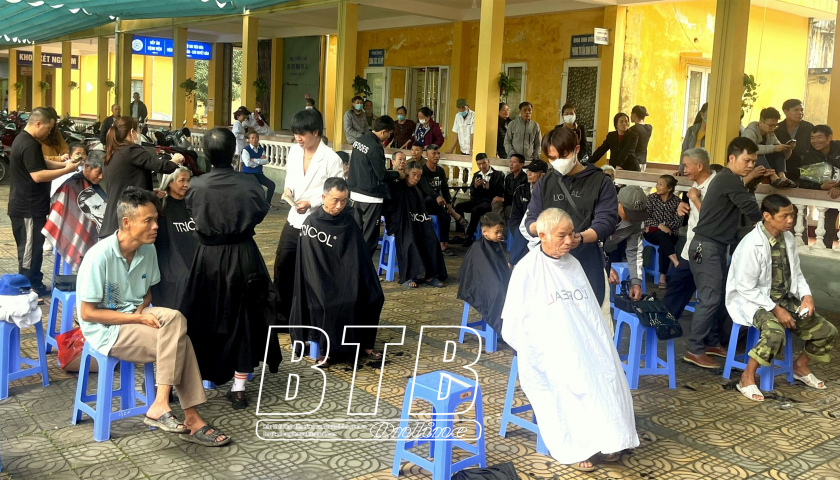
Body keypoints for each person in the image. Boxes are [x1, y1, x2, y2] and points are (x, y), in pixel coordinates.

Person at [76, 187, 230, 447]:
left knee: (176, 318)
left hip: (136, 313)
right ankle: (189, 417)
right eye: (148, 220)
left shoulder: (147, 250)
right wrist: (136, 319)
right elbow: (87, 313)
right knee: (182, 342)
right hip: (106, 328)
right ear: (127, 222)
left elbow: (147, 293)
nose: (156, 226)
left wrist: (139, 311)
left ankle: (160, 403)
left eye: (156, 219)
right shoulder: (99, 257)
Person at [502, 208, 639, 472]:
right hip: (548, 346)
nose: (569, 241)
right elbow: (515, 322)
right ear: (543, 235)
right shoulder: (527, 268)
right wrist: (544, 346)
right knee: (570, 377)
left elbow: (590, 313)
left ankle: (609, 437)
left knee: (606, 371)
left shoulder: (573, 264)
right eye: (562, 236)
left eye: (571, 234)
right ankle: (579, 446)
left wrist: (597, 345)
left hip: (582, 341)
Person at [181, 128, 282, 410]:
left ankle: (202, 378)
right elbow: (260, 212)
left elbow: (192, 212)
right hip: (243, 255)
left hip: (209, 258)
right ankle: (239, 387)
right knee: (245, 316)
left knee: (206, 313)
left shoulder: (196, 186)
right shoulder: (249, 184)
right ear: (234, 151)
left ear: (205, 154)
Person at [727, 194, 838, 401]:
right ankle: (746, 377)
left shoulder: (788, 239)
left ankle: (800, 367)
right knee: (774, 333)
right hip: (756, 302)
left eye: (792, 215)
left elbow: (797, 273)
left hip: (785, 299)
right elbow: (745, 287)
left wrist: (806, 296)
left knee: (827, 331)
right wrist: (776, 309)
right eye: (784, 216)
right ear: (767, 216)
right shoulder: (751, 244)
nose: (790, 220)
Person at [685, 137, 770, 369]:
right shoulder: (728, 179)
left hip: (716, 247)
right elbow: (750, 208)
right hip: (706, 247)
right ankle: (694, 349)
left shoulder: (730, 180)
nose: (751, 165)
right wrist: (771, 224)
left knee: (718, 297)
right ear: (732, 158)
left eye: (753, 161)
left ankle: (712, 342)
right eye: (747, 160)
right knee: (710, 299)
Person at [289, 178, 385, 368]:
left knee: (373, 296)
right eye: (335, 200)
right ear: (324, 197)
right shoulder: (312, 223)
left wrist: (354, 280)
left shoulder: (349, 220)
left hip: (347, 276)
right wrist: (331, 284)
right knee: (332, 303)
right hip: (321, 281)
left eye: (344, 201)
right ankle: (327, 351)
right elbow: (310, 264)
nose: (339, 206)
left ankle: (365, 344)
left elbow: (357, 255)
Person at [524, 127, 619, 307]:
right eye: (552, 158)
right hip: (550, 264)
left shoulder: (600, 182)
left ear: (576, 150)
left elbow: (606, 222)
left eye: (563, 155)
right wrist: (542, 229)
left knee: (588, 312)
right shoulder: (545, 183)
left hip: (586, 260)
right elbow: (531, 219)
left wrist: (580, 238)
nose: (558, 162)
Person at [273, 109, 343, 324]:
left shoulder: (331, 159)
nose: (298, 138)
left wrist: (311, 203)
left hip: (317, 222)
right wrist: (288, 190)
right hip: (294, 218)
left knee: (313, 270)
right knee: (283, 264)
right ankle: (283, 315)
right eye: (295, 133)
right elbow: (290, 176)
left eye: (302, 134)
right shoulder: (295, 151)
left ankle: (312, 316)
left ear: (316, 132)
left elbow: (337, 194)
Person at [8, 108, 81, 296]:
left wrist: (66, 164)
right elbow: (38, 175)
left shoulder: (28, 141)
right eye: (48, 128)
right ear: (38, 124)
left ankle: (36, 284)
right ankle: (27, 290)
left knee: (36, 249)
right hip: (27, 208)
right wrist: (66, 170)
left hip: (34, 206)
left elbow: (41, 162)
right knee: (29, 252)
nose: (49, 133)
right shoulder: (27, 143)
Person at [99, 117, 183, 238]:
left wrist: (148, 193)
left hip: (112, 223)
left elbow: (124, 186)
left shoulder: (111, 155)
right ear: (132, 132)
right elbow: (161, 166)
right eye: (138, 129)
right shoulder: (132, 150)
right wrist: (175, 160)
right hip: (130, 223)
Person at [662, 148, 717, 320]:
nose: (684, 170)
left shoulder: (715, 187)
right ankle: (665, 323)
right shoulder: (696, 185)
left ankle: (711, 334)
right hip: (691, 247)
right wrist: (683, 206)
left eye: (686, 166)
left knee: (709, 297)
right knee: (676, 285)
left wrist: (694, 199)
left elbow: (711, 220)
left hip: (707, 250)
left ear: (699, 166)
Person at [385, 161, 448, 288]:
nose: (416, 178)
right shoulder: (397, 186)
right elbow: (391, 209)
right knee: (410, 240)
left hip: (416, 221)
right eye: (414, 174)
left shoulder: (416, 190)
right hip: (400, 223)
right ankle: (407, 276)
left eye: (419, 176)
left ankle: (430, 275)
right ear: (406, 173)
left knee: (431, 239)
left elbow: (420, 209)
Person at [42, 149, 107, 269]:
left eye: (104, 173)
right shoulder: (71, 185)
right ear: (87, 167)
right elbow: (66, 213)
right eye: (98, 172)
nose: (101, 177)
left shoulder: (92, 185)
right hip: (72, 231)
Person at [348, 115, 403, 255]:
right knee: (369, 237)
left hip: (355, 194)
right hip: (371, 197)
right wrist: (398, 174)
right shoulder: (375, 147)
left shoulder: (359, 141)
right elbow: (382, 175)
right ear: (383, 131)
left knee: (357, 233)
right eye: (389, 134)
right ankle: (364, 266)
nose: (389, 137)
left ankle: (355, 263)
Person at [150, 167, 198, 310]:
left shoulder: (194, 205)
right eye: (182, 180)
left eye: (188, 180)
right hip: (171, 261)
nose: (186, 184)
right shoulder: (161, 208)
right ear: (170, 183)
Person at [457, 213, 510, 334]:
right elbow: (480, 272)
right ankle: (500, 330)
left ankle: (509, 330)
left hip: (491, 280)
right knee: (498, 293)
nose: (500, 235)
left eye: (501, 231)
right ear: (484, 232)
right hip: (476, 284)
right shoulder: (478, 248)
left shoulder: (496, 244)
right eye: (496, 232)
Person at [603, 186, 648, 302]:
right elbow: (588, 244)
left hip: (609, 250)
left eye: (636, 214)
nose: (632, 217)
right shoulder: (601, 211)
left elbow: (634, 252)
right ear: (618, 202)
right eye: (629, 212)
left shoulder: (637, 221)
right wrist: (604, 266)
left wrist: (636, 282)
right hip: (585, 252)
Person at [799, 125, 840, 247]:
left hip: (836, 191)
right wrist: (821, 187)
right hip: (826, 195)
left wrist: (838, 188)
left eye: (819, 137)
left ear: (829, 138)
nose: (815, 141)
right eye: (812, 138)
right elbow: (803, 182)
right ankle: (826, 250)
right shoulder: (809, 157)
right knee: (827, 223)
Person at [452, 153, 505, 248]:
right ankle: (461, 234)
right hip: (477, 200)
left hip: (489, 202)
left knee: (476, 210)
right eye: (479, 164)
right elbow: (472, 193)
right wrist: (475, 186)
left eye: (484, 163)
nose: (481, 166)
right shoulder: (477, 175)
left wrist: (489, 188)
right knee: (458, 207)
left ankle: (469, 236)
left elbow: (500, 193)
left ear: (488, 161)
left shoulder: (498, 175)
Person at [418, 145, 461, 256]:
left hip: (438, 205)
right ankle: (453, 213)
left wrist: (449, 203)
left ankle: (442, 245)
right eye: (434, 153)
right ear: (427, 155)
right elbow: (426, 188)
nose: (437, 156)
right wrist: (436, 196)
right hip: (425, 204)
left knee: (445, 217)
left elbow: (445, 189)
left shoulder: (441, 171)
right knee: (431, 199)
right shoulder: (422, 170)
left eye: (438, 154)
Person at [741, 107, 796, 188]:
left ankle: (782, 176)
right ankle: (773, 176)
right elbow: (750, 149)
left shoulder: (770, 134)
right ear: (761, 123)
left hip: (764, 163)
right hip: (747, 161)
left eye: (775, 125)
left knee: (778, 151)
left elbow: (782, 153)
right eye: (771, 125)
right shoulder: (750, 132)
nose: (773, 128)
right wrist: (774, 148)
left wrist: (787, 149)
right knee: (757, 153)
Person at [643, 175, 683, 288]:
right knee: (662, 235)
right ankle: (672, 267)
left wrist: (664, 227)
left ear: (669, 188)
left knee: (664, 240)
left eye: (661, 184)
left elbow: (678, 222)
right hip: (651, 234)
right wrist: (660, 225)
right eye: (657, 184)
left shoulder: (677, 202)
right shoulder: (651, 198)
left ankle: (665, 273)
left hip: (671, 234)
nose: (657, 186)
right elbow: (645, 217)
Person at [508, 160, 547, 265]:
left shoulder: (548, 192)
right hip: (521, 229)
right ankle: (513, 263)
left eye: (533, 172)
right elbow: (514, 216)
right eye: (528, 171)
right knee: (520, 236)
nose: (529, 174)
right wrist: (517, 231)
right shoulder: (520, 190)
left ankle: (512, 263)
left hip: (541, 231)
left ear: (542, 175)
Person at [774, 99, 814, 183]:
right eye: (796, 110)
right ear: (786, 112)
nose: (800, 113)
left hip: (803, 165)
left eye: (801, 110)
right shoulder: (777, 128)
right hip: (783, 164)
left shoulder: (809, 127)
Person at [239, 132, 276, 208]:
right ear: (249, 139)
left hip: (259, 173)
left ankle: (267, 203)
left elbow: (266, 161)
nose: (254, 140)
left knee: (271, 185)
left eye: (256, 138)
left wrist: (255, 160)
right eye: (252, 138)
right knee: (257, 189)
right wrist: (259, 161)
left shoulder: (261, 149)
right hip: (248, 174)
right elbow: (247, 163)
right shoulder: (246, 150)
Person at [678, 103, 707, 174]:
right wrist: (681, 170)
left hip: (704, 170)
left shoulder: (714, 133)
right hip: (690, 170)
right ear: (702, 115)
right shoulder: (691, 130)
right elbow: (684, 151)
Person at [503, 154, 528, 219]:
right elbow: (506, 193)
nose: (511, 164)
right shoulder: (508, 177)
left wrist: (505, 199)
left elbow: (521, 197)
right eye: (510, 162)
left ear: (521, 165)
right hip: (507, 202)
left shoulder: (525, 179)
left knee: (508, 211)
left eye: (514, 162)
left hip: (517, 205)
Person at [628, 106, 652, 171]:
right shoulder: (649, 128)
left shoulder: (633, 129)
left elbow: (630, 147)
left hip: (634, 162)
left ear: (635, 115)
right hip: (643, 161)